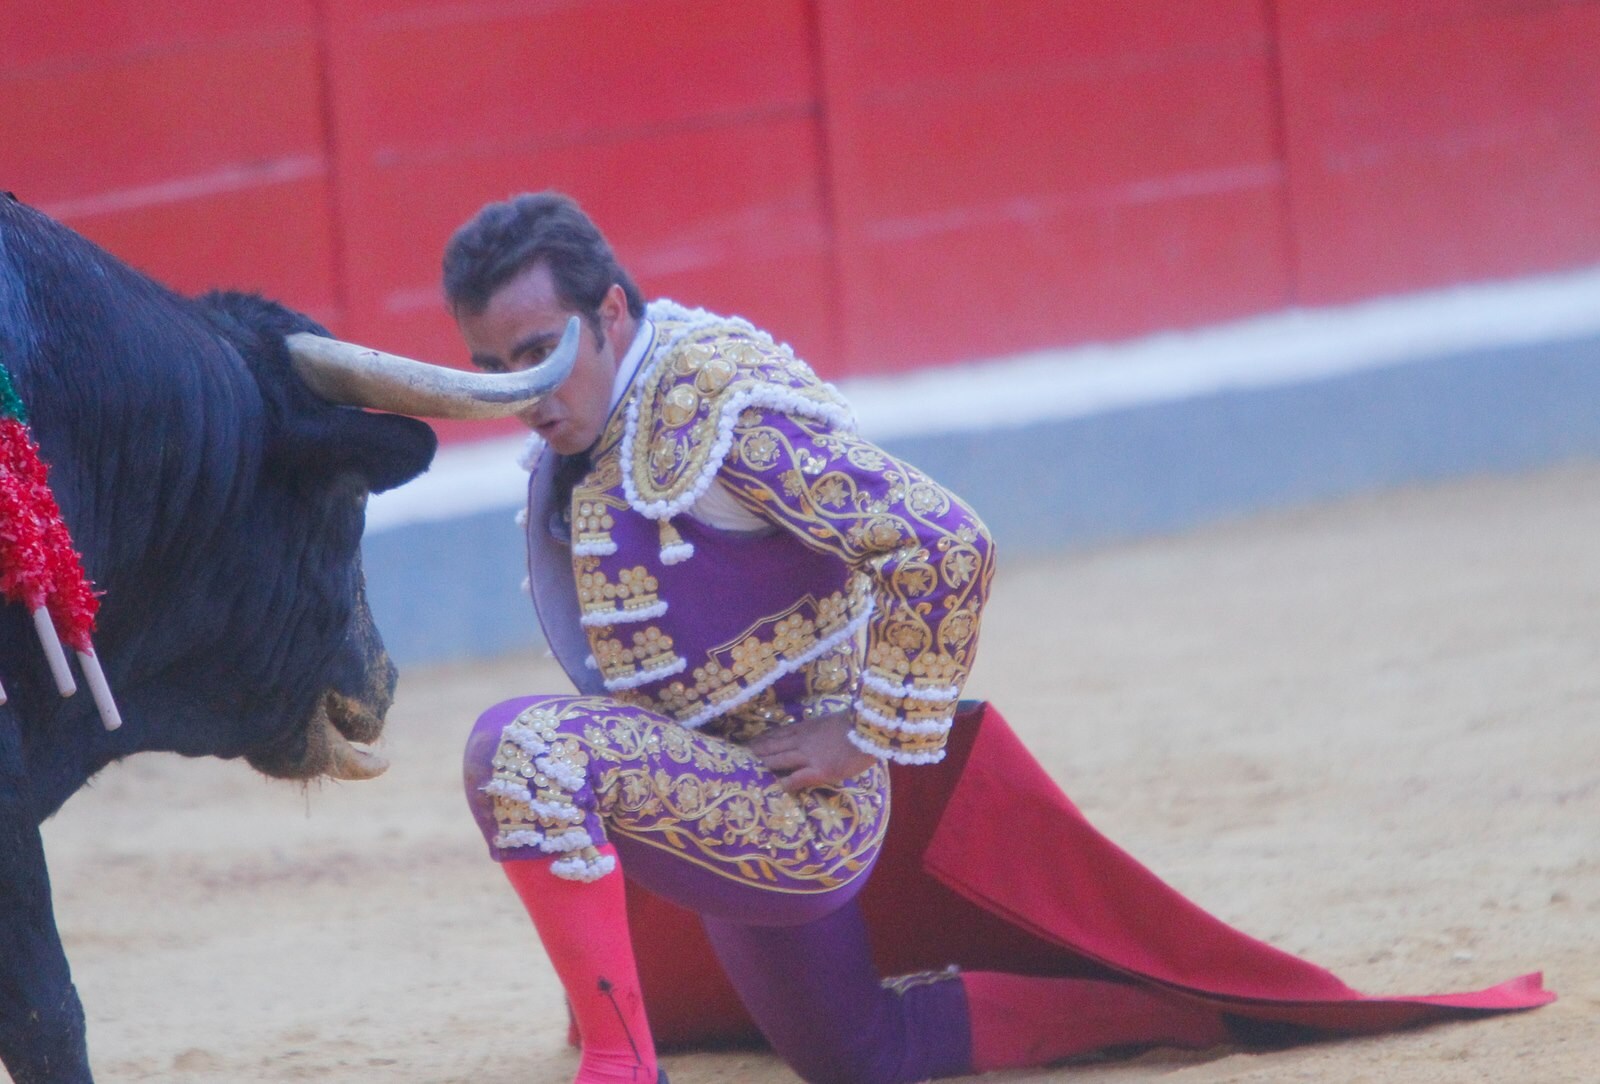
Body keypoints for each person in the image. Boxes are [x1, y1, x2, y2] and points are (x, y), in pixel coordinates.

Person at [448, 192, 1551, 1084]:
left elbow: (945, 543)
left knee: (525, 751)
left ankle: (618, 1066)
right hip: (719, 773)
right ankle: (1161, 1007)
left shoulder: (720, 416)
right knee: (853, 1056)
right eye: (494, 369)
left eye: (538, 352)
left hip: (799, 805)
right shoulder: (602, 424)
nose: (522, 392)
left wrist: (864, 735)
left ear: (614, 318)